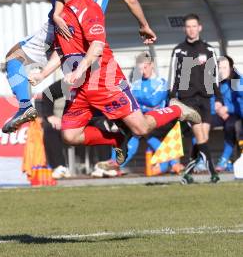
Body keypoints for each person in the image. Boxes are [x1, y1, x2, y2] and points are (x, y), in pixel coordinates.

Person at [29, 0, 201, 164]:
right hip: (81, 87)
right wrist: (42, 74)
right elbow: (61, 50)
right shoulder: (60, 14)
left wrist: (79, 71)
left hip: (104, 81)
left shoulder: (88, 8)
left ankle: (177, 109)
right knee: (70, 136)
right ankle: (118, 139)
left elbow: (97, 46)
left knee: (142, 128)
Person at [2, 0, 156, 133]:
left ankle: (24, 106)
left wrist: (56, 15)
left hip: (66, 24)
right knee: (92, 100)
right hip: (90, 32)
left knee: (14, 56)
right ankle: (111, 125)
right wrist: (144, 25)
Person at [92, 52, 184, 177]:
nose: (142, 71)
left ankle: (116, 165)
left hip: (159, 120)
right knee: (130, 132)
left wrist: (138, 100)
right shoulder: (135, 84)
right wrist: (140, 101)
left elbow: (154, 101)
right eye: (140, 68)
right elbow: (129, 101)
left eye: (145, 67)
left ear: (151, 65)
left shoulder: (161, 82)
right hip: (140, 120)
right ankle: (114, 164)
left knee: (138, 132)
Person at [169, 13, 221, 184]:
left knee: (203, 137)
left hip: (205, 99)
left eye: (194, 26)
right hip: (188, 101)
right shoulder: (178, 50)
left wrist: (219, 99)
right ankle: (213, 173)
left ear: (200, 27)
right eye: (188, 26)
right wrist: (172, 97)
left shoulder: (209, 50)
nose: (191, 29)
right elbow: (172, 76)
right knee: (200, 137)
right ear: (185, 29)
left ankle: (186, 173)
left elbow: (214, 77)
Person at [211, 56, 242, 172]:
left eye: (225, 67)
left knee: (231, 125)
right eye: (219, 68)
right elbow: (210, 101)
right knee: (201, 123)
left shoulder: (236, 81)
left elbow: (241, 104)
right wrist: (218, 108)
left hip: (235, 114)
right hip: (221, 114)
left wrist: (227, 109)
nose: (221, 70)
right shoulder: (216, 82)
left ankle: (225, 159)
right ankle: (199, 159)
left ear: (231, 68)